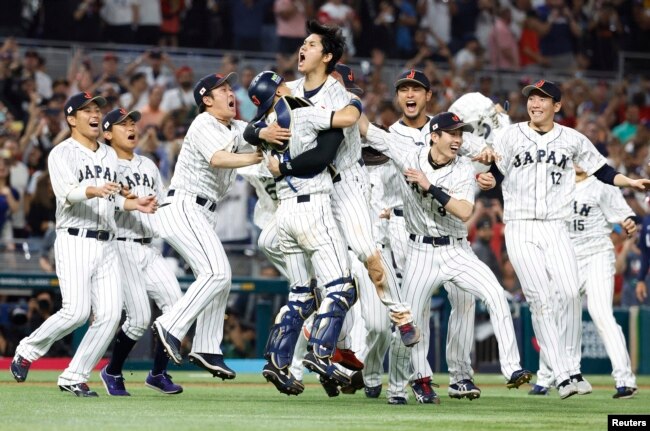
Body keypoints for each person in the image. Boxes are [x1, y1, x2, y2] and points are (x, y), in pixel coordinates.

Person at [491, 79, 650, 399]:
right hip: (521, 224)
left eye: (543, 98)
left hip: (562, 232)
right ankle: (562, 374)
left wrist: (630, 183)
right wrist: (486, 177)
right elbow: (496, 173)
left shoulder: (574, 141)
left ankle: (577, 372)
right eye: (531, 98)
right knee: (541, 300)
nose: (535, 103)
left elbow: (604, 172)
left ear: (558, 106)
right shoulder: (510, 134)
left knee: (566, 296)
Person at [360, 112, 532, 405]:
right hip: (420, 253)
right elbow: (366, 128)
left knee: (495, 295)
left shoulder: (464, 168)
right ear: (434, 136)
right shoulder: (408, 153)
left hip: (456, 249)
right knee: (409, 324)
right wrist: (342, 96)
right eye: (451, 134)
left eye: (460, 134)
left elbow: (465, 212)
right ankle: (400, 387)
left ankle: (512, 368)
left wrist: (430, 186)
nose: (457, 140)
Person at [10, 92, 157, 397]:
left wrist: (134, 204)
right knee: (76, 311)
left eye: (97, 109)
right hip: (75, 237)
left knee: (110, 314)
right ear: (71, 118)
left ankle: (75, 375)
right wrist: (93, 188)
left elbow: (114, 197)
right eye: (87, 109)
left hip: (108, 241)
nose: (94, 114)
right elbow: (67, 193)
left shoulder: (108, 155)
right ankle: (27, 350)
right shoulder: (61, 153)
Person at [246, 70, 363, 394]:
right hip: (313, 207)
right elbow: (348, 118)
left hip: (283, 213)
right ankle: (322, 354)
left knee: (300, 294)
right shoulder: (305, 112)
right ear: (281, 88)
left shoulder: (264, 128)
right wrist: (352, 98)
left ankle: (276, 360)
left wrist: (258, 131)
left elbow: (248, 133)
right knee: (341, 288)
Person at [151, 72, 262, 380]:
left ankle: (207, 347)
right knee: (217, 272)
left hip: (203, 212)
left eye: (231, 88)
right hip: (184, 205)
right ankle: (170, 326)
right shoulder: (203, 123)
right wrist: (257, 154)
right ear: (207, 100)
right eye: (223, 89)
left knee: (219, 279)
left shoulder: (236, 127)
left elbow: (258, 132)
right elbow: (218, 158)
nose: (231, 93)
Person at [530, 165, 639, 399]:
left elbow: (624, 213)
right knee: (556, 315)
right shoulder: (556, 184)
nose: (577, 160)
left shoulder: (601, 184)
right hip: (565, 258)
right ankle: (545, 378)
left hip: (597, 255)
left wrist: (628, 220)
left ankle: (625, 380)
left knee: (601, 314)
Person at [98, 108, 184, 396]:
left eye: (133, 122)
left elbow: (162, 205)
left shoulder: (147, 164)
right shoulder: (105, 165)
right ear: (108, 134)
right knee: (137, 319)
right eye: (123, 124)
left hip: (151, 247)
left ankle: (158, 373)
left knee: (178, 309)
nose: (131, 127)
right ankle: (112, 371)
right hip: (121, 245)